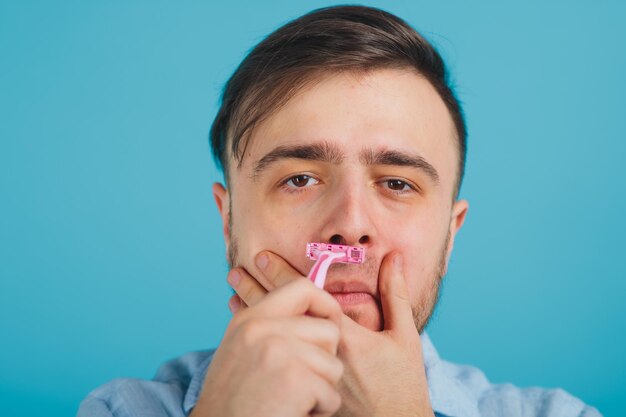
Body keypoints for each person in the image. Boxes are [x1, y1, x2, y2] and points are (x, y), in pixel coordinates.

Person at [78, 5, 601, 417]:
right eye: (299, 179)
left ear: (450, 233)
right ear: (228, 220)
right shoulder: (120, 410)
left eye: (397, 183)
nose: (350, 226)